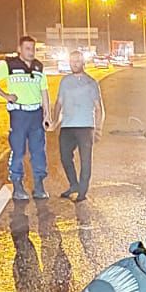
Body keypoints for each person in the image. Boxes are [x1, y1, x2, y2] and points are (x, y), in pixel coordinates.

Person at [0, 33, 51, 201]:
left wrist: (47, 114)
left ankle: (39, 185)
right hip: (19, 115)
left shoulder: (39, 67)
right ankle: (17, 185)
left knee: (38, 151)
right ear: (19, 49)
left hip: (36, 114)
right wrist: (6, 96)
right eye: (27, 48)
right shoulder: (9, 65)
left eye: (33, 49)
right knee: (18, 150)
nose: (31, 52)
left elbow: (44, 92)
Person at [53, 48, 105, 201]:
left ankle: (82, 192)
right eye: (72, 61)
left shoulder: (91, 83)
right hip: (67, 126)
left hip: (85, 127)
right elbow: (59, 103)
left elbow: (98, 108)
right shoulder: (65, 81)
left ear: (83, 62)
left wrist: (98, 128)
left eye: (77, 61)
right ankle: (73, 184)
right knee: (65, 157)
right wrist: (54, 121)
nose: (74, 64)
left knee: (85, 160)